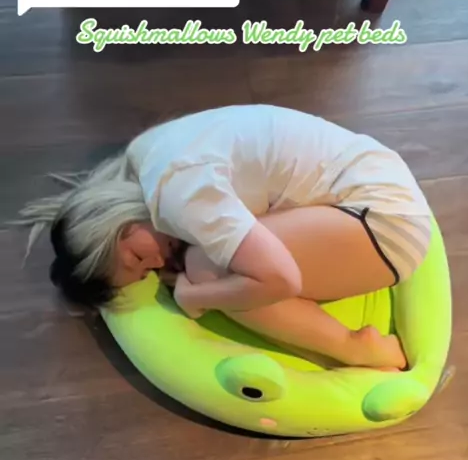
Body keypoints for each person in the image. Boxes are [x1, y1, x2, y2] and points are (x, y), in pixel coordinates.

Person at [16, 105, 432, 370]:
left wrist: (196, 297)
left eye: (137, 259)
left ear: (116, 224)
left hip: (387, 225)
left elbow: (281, 279)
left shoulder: (179, 195)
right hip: (376, 186)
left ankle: (354, 348)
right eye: (146, 272)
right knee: (209, 260)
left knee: (207, 269)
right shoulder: (145, 154)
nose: (157, 266)